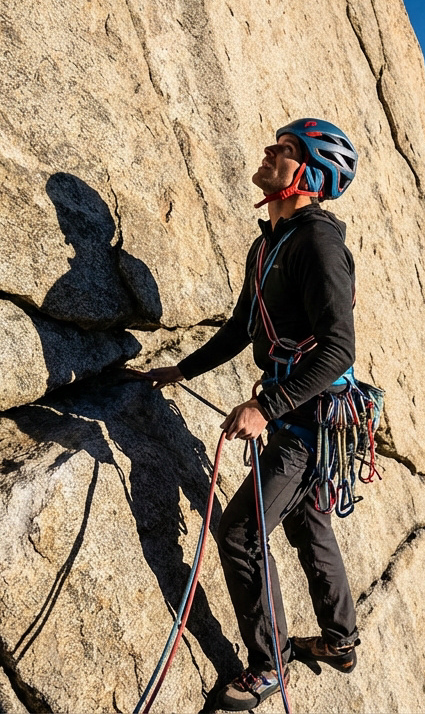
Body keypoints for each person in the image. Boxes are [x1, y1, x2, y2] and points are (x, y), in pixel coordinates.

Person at [138, 118, 362, 711]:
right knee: (308, 519)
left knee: (240, 533)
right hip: (306, 411)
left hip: (308, 419)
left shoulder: (318, 243)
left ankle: (268, 667)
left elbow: (339, 348)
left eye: (285, 150)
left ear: (309, 175)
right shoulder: (267, 243)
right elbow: (242, 328)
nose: (269, 151)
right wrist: (181, 371)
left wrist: (266, 406)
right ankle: (341, 641)